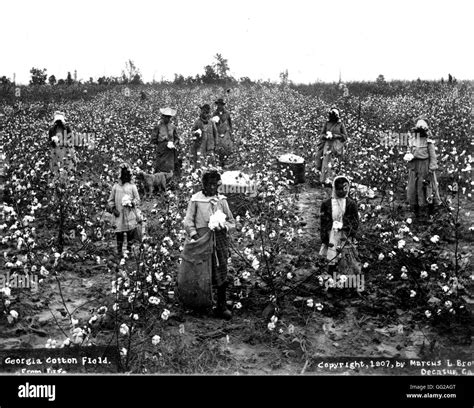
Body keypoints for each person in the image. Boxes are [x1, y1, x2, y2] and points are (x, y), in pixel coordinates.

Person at [182, 171, 235, 319]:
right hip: (202, 240)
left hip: (219, 240)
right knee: (203, 270)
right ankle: (202, 301)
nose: (212, 188)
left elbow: (232, 222)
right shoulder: (196, 200)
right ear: (203, 185)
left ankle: (221, 305)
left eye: (215, 185)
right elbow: (188, 221)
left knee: (221, 268)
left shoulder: (222, 200)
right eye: (209, 185)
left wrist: (223, 226)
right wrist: (195, 235)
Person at [319, 176, 360, 274]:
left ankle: (345, 274)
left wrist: (346, 227)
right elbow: (323, 221)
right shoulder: (326, 204)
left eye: (344, 189)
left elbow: (355, 221)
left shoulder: (351, 204)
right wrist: (325, 235)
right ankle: (331, 274)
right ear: (334, 189)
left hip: (345, 233)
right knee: (332, 254)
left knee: (346, 255)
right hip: (332, 234)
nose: (341, 191)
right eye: (338, 189)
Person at [406, 117, 441, 218]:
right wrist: (408, 156)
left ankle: (429, 208)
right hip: (414, 165)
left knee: (426, 186)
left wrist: (432, 168)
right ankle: (415, 208)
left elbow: (433, 156)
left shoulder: (428, 141)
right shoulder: (412, 139)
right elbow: (409, 151)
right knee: (414, 186)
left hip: (425, 166)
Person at [107, 163, 141, 257]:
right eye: (124, 175)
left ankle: (129, 252)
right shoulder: (116, 187)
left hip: (129, 213)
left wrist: (132, 203)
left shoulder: (132, 186)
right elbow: (110, 200)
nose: (125, 177)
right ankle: (119, 252)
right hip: (119, 214)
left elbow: (137, 199)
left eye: (127, 175)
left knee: (130, 233)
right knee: (119, 234)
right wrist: (113, 209)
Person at [315, 108, 348, 186]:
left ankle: (333, 181)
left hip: (337, 146)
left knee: (334, 163)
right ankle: (324, 181)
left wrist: (334, 135)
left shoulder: (340, 124)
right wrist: (326, 136)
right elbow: (321, 134)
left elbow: (345, 136)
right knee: (326, 162)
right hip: (328, 145)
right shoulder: (327, 123)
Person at [48, 111, 77, 179]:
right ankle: (57, 179)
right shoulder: (52, 130)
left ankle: (68, 179)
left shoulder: (67, 128)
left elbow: (71, 138)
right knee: (56, 166)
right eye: (57, 121)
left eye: (60, 121)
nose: (59, 123)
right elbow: (49, 140)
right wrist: (53, 141)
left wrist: (65, 142)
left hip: (66, 150)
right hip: (56, 150)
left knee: (67, 164)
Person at [151, 107, 179, 175]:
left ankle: (169, 181)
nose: (167, 119)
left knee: (169, 168)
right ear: (162, 117)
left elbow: (177, 138)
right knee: (160, 167)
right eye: (166, 117)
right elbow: (153, 139)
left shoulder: (173, 127)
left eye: (169, 117)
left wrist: (174, 144)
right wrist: (160, 143)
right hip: (161, 150)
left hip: (170, 151)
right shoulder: (158, 127)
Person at [212, 98, 235, 167]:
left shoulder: (227, 113)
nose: (219, 106)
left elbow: (230, 123)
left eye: (221, 105)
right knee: (218, 147)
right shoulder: (215, 113)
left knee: (227, 147)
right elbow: (213, 124)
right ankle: (219, 162)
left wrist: (231, 132)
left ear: (223, 105)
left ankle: (226, 162)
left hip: (226, 132)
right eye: (218, 105)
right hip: (218, 132)